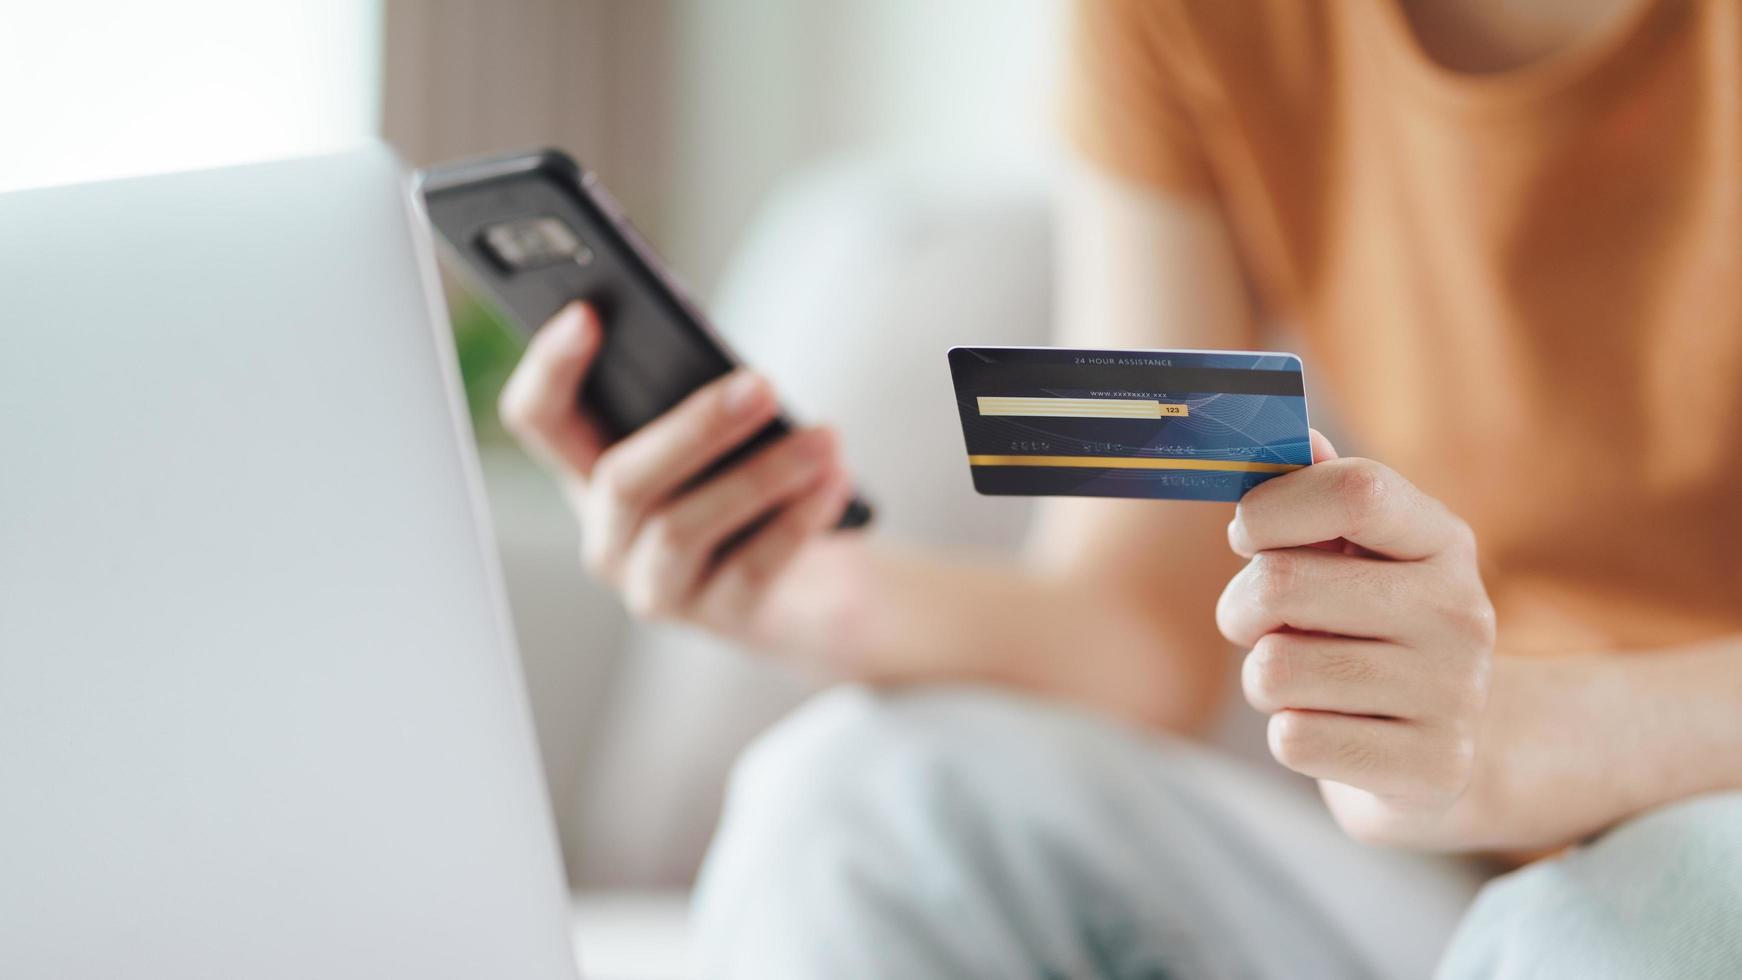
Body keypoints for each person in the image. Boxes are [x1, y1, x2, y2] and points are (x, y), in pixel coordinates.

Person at [499, 0, 1742, 976]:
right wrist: (812, 592)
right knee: (848, 800)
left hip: (1658, 837)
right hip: (1465, 876)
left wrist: (1504, 734)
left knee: (1632, 919)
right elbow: (1139, 630)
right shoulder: (1186, 16)